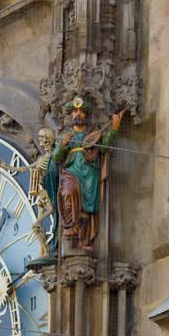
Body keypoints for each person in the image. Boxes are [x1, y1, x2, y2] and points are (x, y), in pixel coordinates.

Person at [43, 97, 125, 251]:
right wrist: (64, 145)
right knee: (68, 193)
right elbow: (57, 158)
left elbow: (104, 147)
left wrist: (114, 128)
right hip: (71, 172)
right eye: (75, 111)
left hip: (90, 172)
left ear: (86, 115)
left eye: (81, 112)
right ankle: (69, 226)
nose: (78, 114)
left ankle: (83, 240)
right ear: (71, 115)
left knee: (86, 210)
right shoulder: (66, 136)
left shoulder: (93, 134)